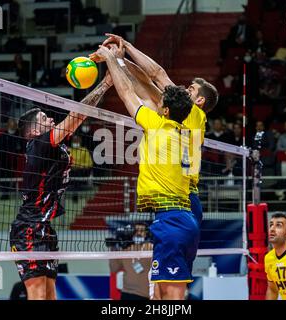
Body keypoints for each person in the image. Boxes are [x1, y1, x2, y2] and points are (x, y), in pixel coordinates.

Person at [93, 45, 198, 300]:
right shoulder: (189, 130)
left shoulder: (157, 127)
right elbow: (149, 83)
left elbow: (128, 92)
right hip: (180, 218)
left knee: (171, 298)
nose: (155, 100)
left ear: (164, 111)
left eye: (160, 101)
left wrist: (109, 59)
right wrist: (120, 61)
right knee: (159, 295)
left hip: (172, 221)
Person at [9, 74, 113, 300]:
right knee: (36, 293)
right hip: (29, 228)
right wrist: (105, 83)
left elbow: (79, 118)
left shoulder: (52, 146)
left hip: (45, 228)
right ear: (35, 130)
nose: (50, 120)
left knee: (50, 295)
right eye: (44, 118)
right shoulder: (39, 143)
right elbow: (77, 114)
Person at [109, 222, 153, 300]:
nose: (139, 233)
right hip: (126, 293)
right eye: (136, 230)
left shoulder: (151, 248)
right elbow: (114, 269)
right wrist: (113, 248)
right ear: (131, 232)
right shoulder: (125, 249)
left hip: (144, 295)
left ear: (146, 233)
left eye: (142, 231)